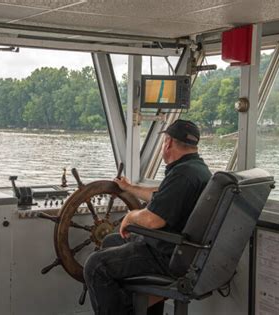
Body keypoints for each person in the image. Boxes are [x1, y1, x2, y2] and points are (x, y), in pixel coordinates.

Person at [83, 119, 212, 315]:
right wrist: (130, 188)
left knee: (96, 265)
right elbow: (163, 196)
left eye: (164, 142)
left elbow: (153, 220)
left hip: (168, 255)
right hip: (184, 249)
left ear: (168, 142)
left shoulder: (183, 175)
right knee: (111, 240)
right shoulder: (196, 170)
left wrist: (130, 217)